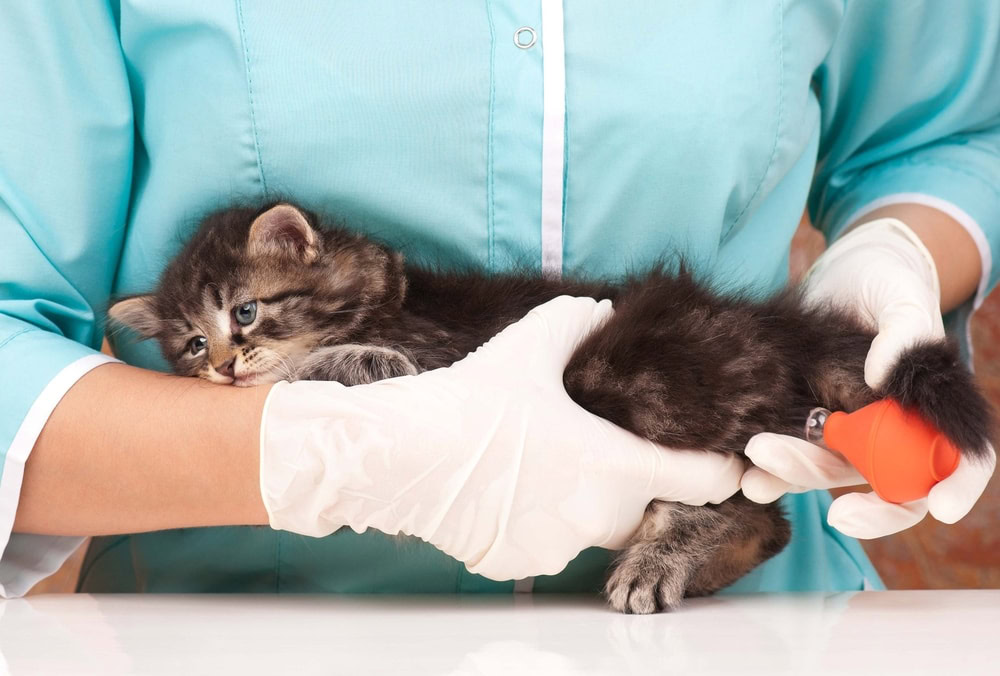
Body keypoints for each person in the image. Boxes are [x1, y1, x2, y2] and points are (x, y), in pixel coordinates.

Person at [1, 2, 997, 598]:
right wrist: (334, 457)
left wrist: (897, 250)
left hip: (753, 622)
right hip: (239, 637)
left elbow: (946, 129)